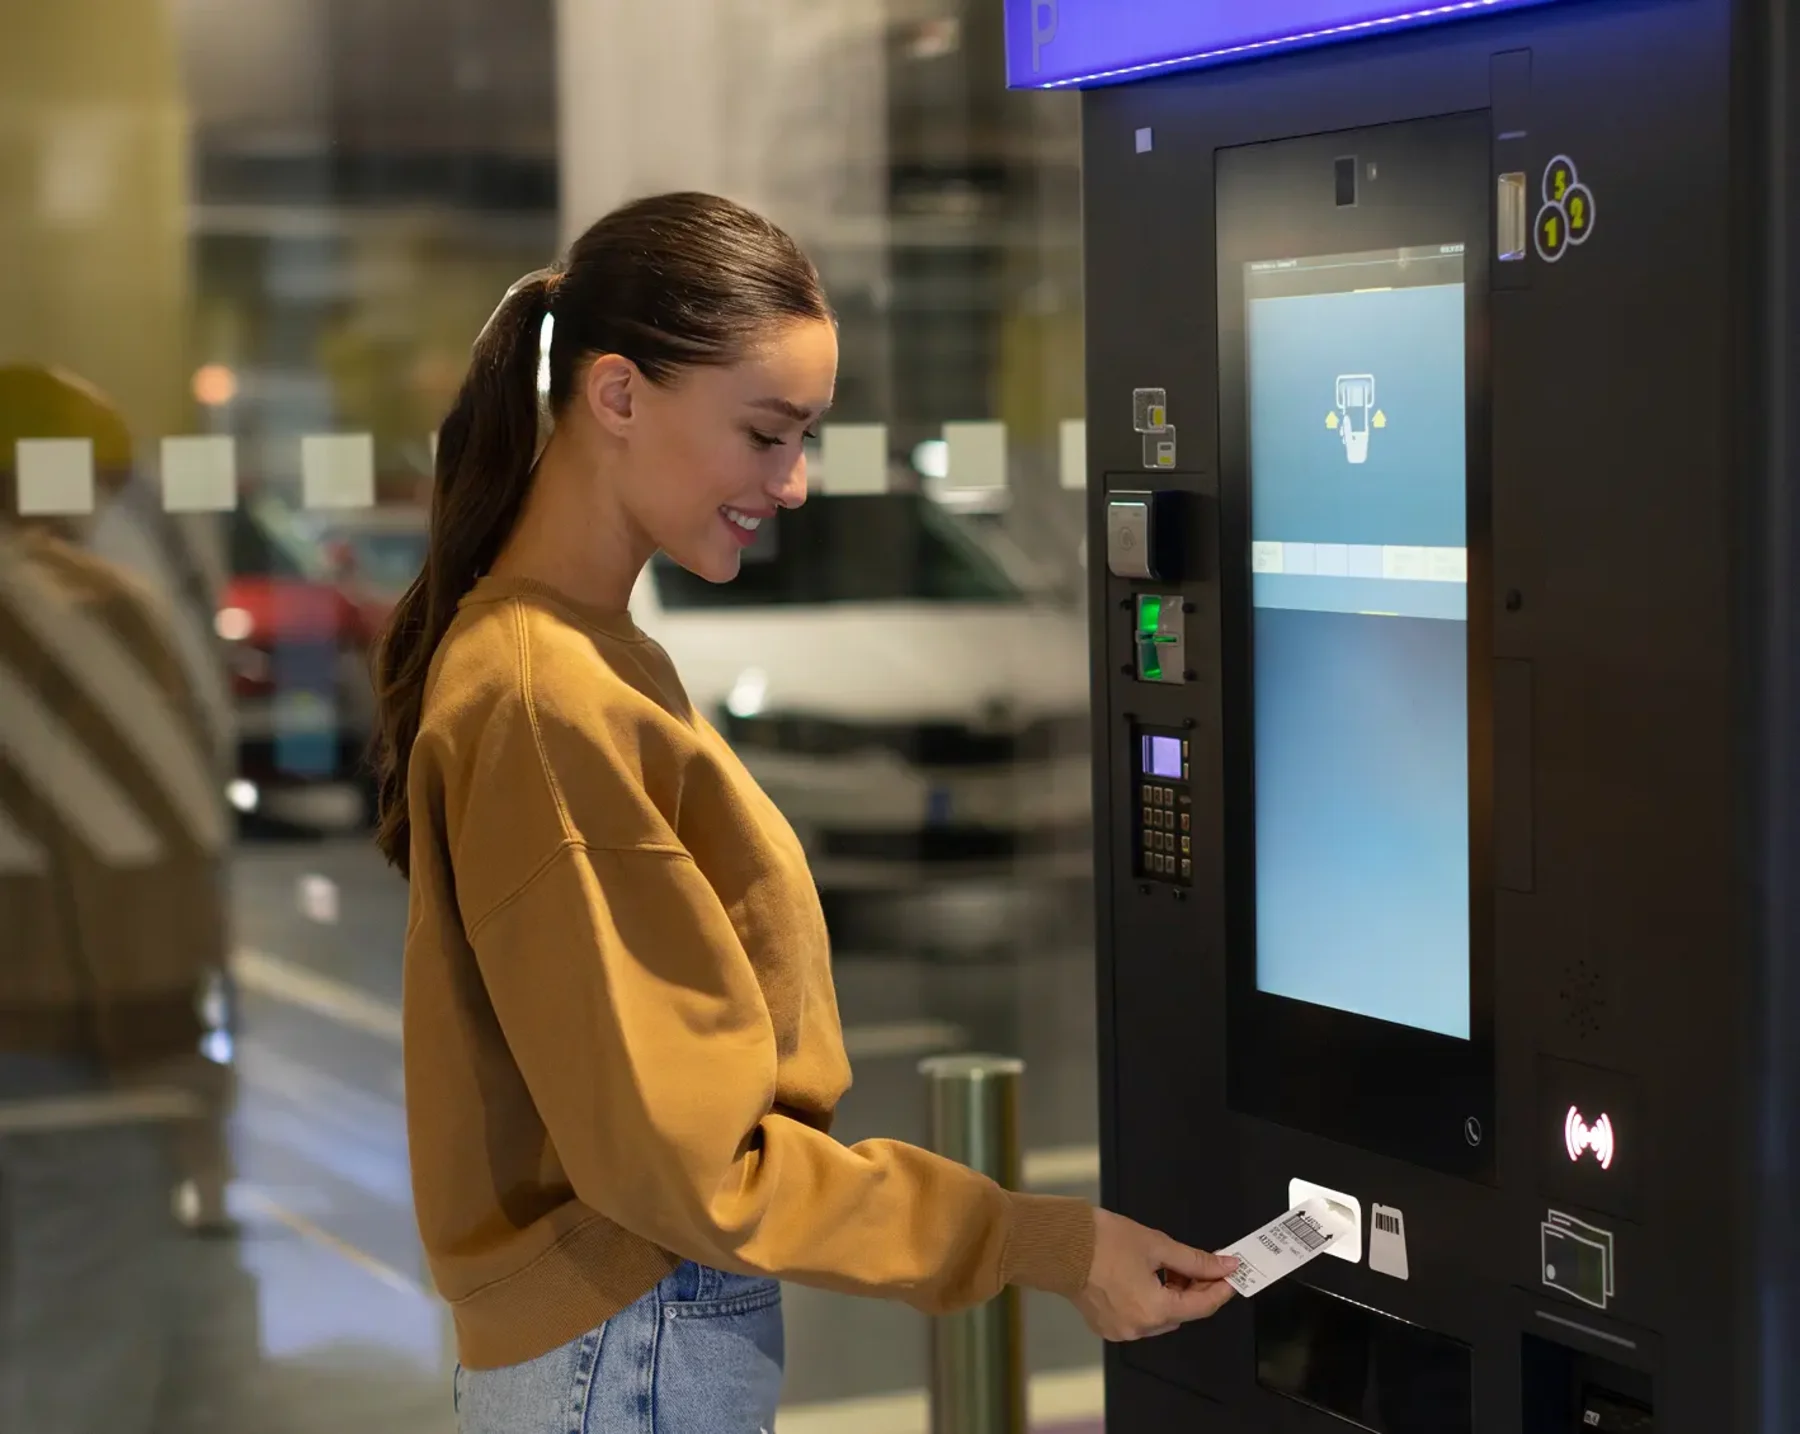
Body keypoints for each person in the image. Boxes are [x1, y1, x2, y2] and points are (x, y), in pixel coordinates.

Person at [370, 192, 1238, 1434]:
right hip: (627, 1338)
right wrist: (1041, 1241)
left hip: (622, 1336)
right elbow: (687, 1168)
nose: (794, 483)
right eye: (767, 434)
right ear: (616, 397)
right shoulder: (543, 691)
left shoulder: (580, 654)